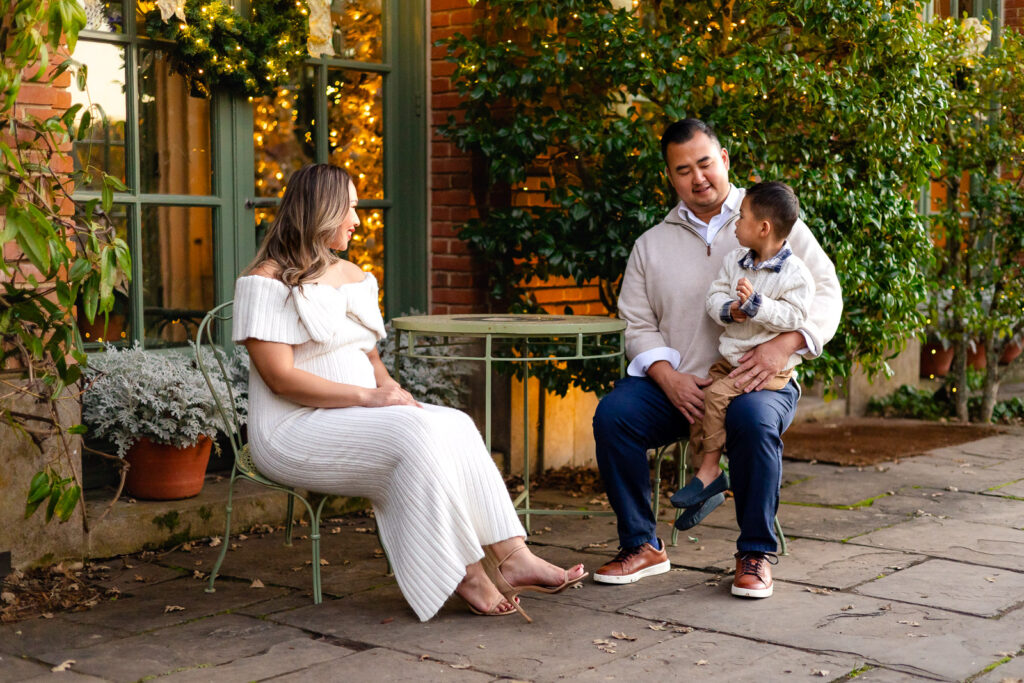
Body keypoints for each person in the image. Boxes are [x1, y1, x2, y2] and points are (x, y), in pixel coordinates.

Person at [232, 163, 586, 622]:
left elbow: (370, 359)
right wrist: (370, 400)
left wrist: (393, 392)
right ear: (321, 211)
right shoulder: (266, 280)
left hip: (357, 418)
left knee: (452, 422)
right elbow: (281, 378)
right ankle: (468, 574)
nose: (357, 221)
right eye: (350, 210)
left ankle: (512, 556)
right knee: (413, 434)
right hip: (291, 430)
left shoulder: (352, 275)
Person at [591, 119, 842, 598]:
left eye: (705, 163)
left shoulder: (768, 219)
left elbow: (826, 293)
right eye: (683, 170)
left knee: (751, 419)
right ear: (670, 176)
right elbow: (637, 323)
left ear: (724, 159)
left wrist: (783, 345)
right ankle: (641, 546)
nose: (697, 177)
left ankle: (754, 554)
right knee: (615, 416)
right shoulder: (651, 245)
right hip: (679, 386)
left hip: (758, 377)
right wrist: (666, 377)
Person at [669, 181, 816, 531]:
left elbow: (795, 317)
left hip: (766, 371)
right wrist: (730, 309)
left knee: (717, 397)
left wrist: (757, 306)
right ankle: (709, 490)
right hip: (731, 361)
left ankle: (708, 473)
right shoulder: (735, 261)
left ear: (763, 228)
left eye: (742, 217)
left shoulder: (796, 275)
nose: (734, 222)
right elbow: (713, 297)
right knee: (700, 403)